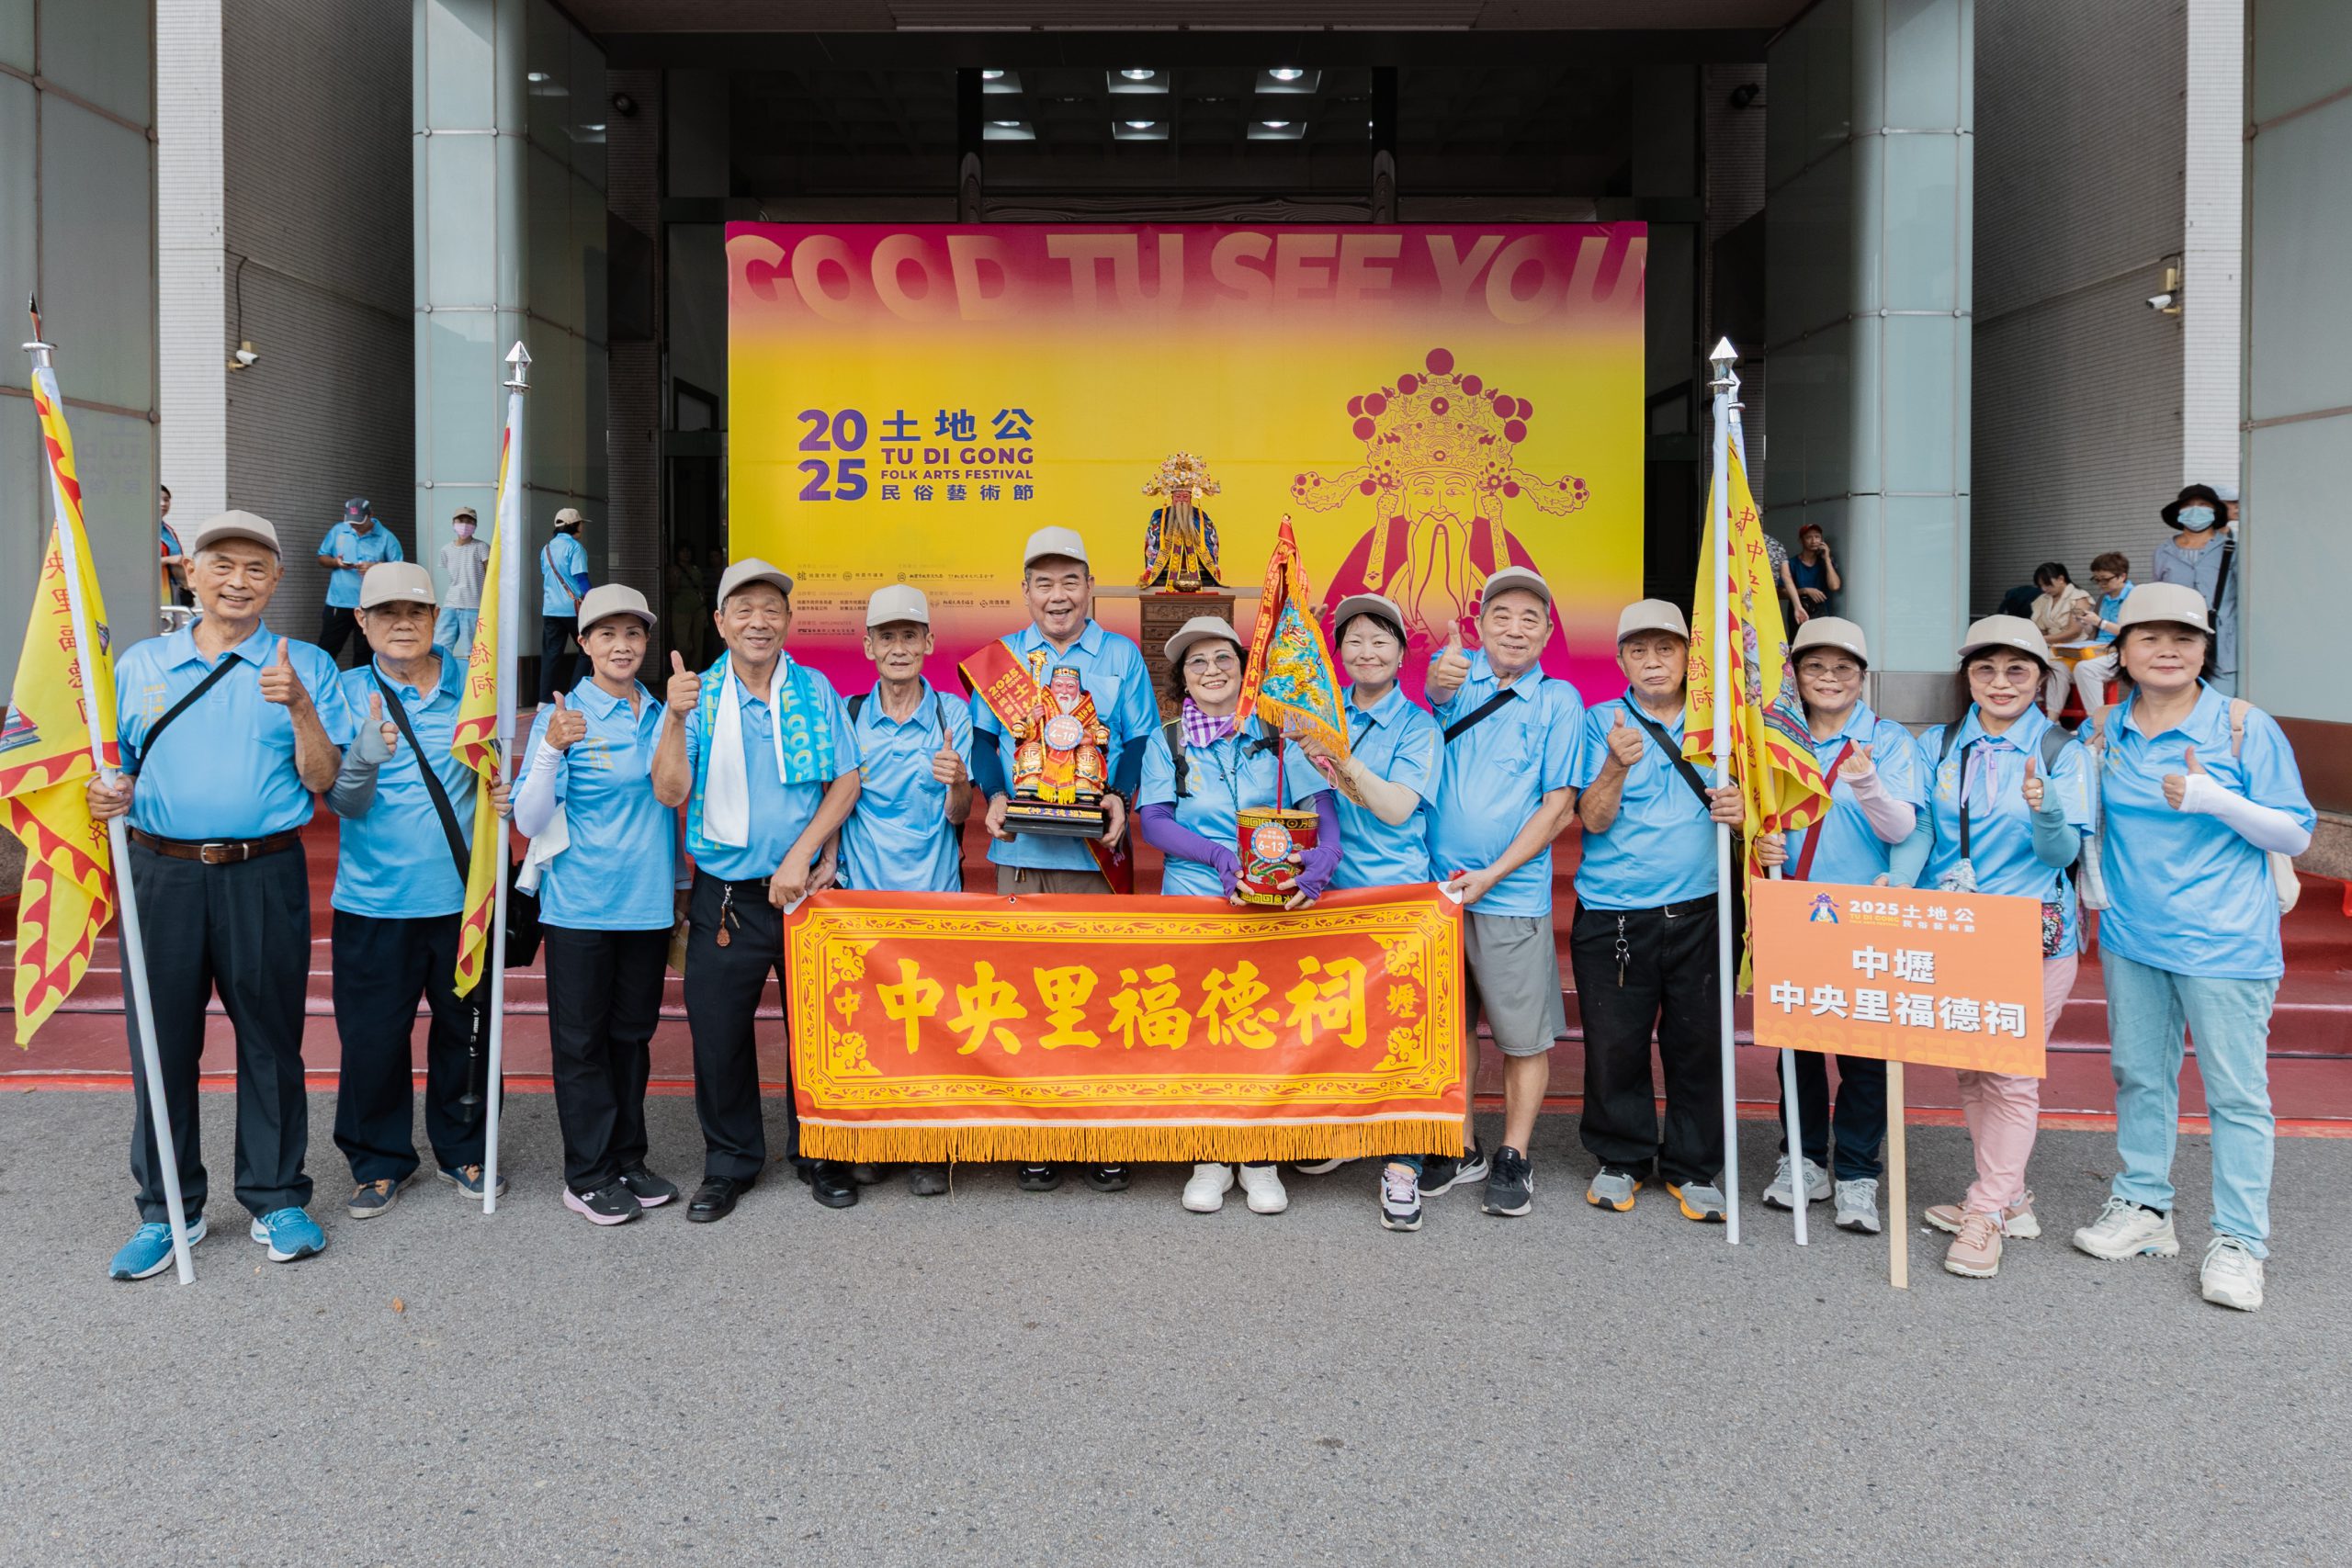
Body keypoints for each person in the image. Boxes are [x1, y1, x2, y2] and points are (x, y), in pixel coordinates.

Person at [90, 512, 356, 1279]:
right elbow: (119, 766)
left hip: (263, 872)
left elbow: (324, 778)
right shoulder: (141, 664)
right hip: (161, 872)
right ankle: (168, 1206)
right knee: (161, 1042)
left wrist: (300, 705)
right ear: (191, 573)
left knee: (270, 1038)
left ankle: (276, 1197)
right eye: (223, 565)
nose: (238, 581)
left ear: (276, 581)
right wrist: (108, 792)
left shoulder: (303, 662)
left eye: (256, 569)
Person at [2068, 582, 2312, 1312]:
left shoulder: (2243, 727)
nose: (2167, 650)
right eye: (2149, 637)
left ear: (2206, 649)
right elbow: (2086, 816)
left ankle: (2240, 1242)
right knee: (2141, 1075)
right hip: (2133, 934)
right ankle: (2145, 1208)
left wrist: (2219, 800)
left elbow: (2295, 833)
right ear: (2124, 652)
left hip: (2228, 941)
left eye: (2185, 637)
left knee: (2237, 1096)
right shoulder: (2105, 728)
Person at [650, 558, 862, 1219]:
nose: (758, 621)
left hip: (805, 891)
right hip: (726, 896)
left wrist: (804, 852)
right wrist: (676, 720)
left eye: (771, 608)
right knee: (719, 1035)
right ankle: (730, 1162)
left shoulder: (816, 690)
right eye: (742, 608)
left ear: (788, 620)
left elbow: (847, 781)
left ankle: (822, 1152)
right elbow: (670, 791)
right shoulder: (696, 695)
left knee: (818, 1031)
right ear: (720, 621)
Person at [1895, 616, 2092, 1280]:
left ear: (2041, 678)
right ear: (1968, 678)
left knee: (2009, 1070)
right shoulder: (1943, 743)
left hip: (2032, 935)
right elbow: (1922, 831)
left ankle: (1985, 1210)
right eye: (1986, 670)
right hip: (1956, 932)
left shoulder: (2064, 751)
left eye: (2017, 670)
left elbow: (2062, 854)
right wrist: (1893, 892)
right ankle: (2010, 1196)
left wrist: (2045, 807)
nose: (2000, 683)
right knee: (1975, 1067)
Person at [968, 526, 1158, 1194]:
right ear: (1025, 592)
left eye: (1069, 581)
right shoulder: (1001, 660)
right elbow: (984, 742)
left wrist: (1118, 797)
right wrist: (993, 794)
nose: (1057, 595)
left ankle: (1103, 1132)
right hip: (1022, 847)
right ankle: (1039, 1136)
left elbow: (1136, 741)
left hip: (1092, 850)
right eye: (1043, 582)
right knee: (1024, 994)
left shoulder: (1121, 656)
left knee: (1101, 994)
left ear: (1089, 588)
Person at [322, 561, 509, 1220]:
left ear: (438, 619)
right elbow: (344, 803)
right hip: (373, 904)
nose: (403, 624)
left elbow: (500, 781)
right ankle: (377, 1160)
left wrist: (506, 790)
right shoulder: (342, 690)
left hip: (464, 902)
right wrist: (365, 755)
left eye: (417, 612)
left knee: (468, 1034)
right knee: (372, 1038)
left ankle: (464, 1148)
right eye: (386, 613)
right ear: (361, 621)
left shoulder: (477, 690)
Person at [1138, 615, 1341, 1217]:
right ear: (1182, 679)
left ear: (1245, 668)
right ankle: (1208, 1156)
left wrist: (1321, 861)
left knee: (1266, 1028)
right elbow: (1154, 820)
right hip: (1197, 901)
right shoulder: (1167, 740)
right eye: (1197, 662)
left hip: (1271, 904)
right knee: (1202, 1030)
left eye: (1224, 657)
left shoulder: (1279, 733)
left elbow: (1320, 808)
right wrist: (1218, 855)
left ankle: (1260, 1158)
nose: (1212, 670)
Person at [1567, 601, 1747, 1224]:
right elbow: (1590, 818)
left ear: (1687, 656)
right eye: (1638, 650)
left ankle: (1694, 1167)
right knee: (1615, 1042)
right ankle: (1620, 1157)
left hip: (1702, 907)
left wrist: (1742, 809)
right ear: (1620, 660)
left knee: (1698, 1042)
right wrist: (1616, 762)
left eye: (1665, 648)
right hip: (1616, 911)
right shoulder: (1598, 722)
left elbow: (1759, 808)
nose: (1652, 661)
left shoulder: (1722, 725)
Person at [514, 584, 684, 1226]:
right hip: (580, 906)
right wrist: (553, 747)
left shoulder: (660, 709)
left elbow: (670, 806)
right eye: (606, 634)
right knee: (582, 1043)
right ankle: (585, 1174)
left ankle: (626, 1158)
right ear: (583, 643)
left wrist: (681, 891)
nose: (622, 645)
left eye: (633, 633)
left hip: (645, 904)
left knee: (631, 1039)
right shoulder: (566, 714)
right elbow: (531, 819)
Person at [1754, 617, 1926, 1235]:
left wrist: (1867, 782)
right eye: (1815, 667)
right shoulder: (1773, 736)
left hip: (1866, 918)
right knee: (1794, 1047)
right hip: (1793, 909)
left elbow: (1904, 830)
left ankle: (1857, 1174)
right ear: (1795, 674)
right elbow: (1754, 812)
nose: (1829, 678)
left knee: (1866, 1058)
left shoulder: (1889, 739)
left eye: (1843, 668)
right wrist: (1760, 845)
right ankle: (1800, 1159)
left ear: (1862, 676)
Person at [1423, 566, 1585, 1219]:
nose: (1514, 629)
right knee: (1448, 1027)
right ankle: (1459, 1145)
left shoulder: (1559, 702)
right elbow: (1431, 698)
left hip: (1509, 895)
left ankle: (1514, 1153)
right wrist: (1437, 682)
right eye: (1502, 616)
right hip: (1435, 894)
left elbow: (1558, 807)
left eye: (1529, 618)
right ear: (1479, 624)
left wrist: (1492, 873)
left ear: (1548, 631)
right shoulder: (1457, 680)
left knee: (1523, 1037)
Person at [1295, 592, 1443, 1227]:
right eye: (1353, 640)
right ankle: (1341, 1134)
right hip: (1330, 898)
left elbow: (1395, 808)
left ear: (1401, 653)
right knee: (1335, 1025)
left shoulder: (1418, 727)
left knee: (1401, 1033)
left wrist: (1341, 759)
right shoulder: (1321, 716)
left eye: (1379, 640)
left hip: (1397, 900)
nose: (1366, 651)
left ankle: (1403, 1166)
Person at [837, 583, 974, 1198]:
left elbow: (958, 815)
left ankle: (927, 1144)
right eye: (887, 636)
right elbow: (835, 804)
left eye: (910, 636)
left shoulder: (953, 714)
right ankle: (874, 1140)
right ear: (868, 646)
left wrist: (959, 780)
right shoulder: (846, 714)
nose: (899, 647)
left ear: (929, 643)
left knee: (930, 1025)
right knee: (872, 1026)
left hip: (933, 897)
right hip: (863, 900)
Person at [2152, 483, 2241, 696]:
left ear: (2214, 512)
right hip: (2176, 642)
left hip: (2222, 647)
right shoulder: (2163, 552)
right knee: (2179, 705)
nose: (2195, 510)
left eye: (2202, 505)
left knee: (2223, 706)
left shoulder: (2231, 549)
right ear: (2178, 513)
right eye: (2188, 505)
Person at [316, 497, 404, 666]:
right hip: (338, 602)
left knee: (364, 653)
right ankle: (317, 687)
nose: (354, 526)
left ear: (371, 515)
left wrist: (376, 567)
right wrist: (336, 562)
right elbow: (322, 558)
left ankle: (363, 689)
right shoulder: (339, 531)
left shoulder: (386, 537)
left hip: (369, 604)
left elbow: (399, 569)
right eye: (351, 522)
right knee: (327, 649)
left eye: (359, 522)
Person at [2070, 551, 2135, 724]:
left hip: (2121, 651)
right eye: (2096, 579)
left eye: (2105, 579)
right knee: (2057, 666)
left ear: (2122, 576)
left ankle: (2097, 723)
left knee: (2086, 669)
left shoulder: (2134, 597)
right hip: (2098, 648)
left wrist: (2100, 622)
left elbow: (2133, 633)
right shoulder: (2103, 599)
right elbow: (2095, 631)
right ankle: (2053, 720)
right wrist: (2086, 623)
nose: (2100, 584)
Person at [537, 508, 593, 705]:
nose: (582, 527)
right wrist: (592, 598)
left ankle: (544, 700)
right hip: (573, 609)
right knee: (587, 650)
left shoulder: (546, 549)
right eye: (581, 523)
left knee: (551, 654)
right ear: (574, 526)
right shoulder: (575, 548)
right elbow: (580, 578)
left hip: (550, 610)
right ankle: (575, 695)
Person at [2027, 563, 2096, 717]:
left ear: (2061, 579)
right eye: (2041, 585)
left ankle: (2051, 717)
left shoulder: (2079, 597)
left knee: (2052, 666)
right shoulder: (2043, 600)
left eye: (2047, 584)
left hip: (2074, 649)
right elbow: (2040, 627)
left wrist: (2042, 639)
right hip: (2049, 646)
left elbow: (2074, 631)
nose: (2044, 589)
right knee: (2028, 661)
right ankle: (2034, 709)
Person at [435, 506, 491, 660]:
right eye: (460, 520)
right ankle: (442, 679)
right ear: (453, 523)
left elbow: (490, 576)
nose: (464, 524)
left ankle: (472, 683)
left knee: (474, 652)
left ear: (475, 525)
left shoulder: (482, 547)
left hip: (474, 605)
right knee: (440, 647)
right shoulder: (446, 550)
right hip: (450, 603)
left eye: (469, 521)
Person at [1789, 524, 1840, 617]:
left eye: (1817, 537)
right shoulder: (1792, 564)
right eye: (1809, 537)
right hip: (1799, 616)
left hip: (1822, 616)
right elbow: (1780, 592)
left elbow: (1835, 586)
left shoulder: (1824, 562)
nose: (1814, 541)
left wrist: (1827, 559)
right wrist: (1805, 591)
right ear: (1801, 540)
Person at [158, 484, 191, 609]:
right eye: (158, 499)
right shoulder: (142, 529)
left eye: (166, 500)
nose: (163, 504)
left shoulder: (168, 530)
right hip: (154, 590)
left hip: (174, 586)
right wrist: (169, 560)